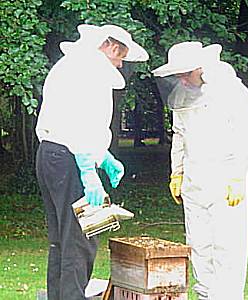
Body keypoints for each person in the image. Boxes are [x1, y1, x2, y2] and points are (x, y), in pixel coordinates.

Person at [35, 24, 148, 300]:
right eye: (120, 56)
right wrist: (89, 171)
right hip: (70, 159)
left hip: (51, 155)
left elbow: (67, 121)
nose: (121, 64)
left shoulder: (70, 65)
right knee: (79, 240)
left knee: (60, 240)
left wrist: (103, 157)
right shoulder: (90, 71)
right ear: (110, 46)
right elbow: (81, 124)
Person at [152, 42, 248, 300]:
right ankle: (205, 295)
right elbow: (179, 135)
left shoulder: (231, 91)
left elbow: (246, 136)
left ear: (201, 69)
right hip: (193, 179)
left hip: (225, 180)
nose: (181, 79)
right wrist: (176, 173)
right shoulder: (181, 95)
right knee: (198, 244)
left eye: (186, 73)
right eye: (177, 74)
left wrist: (238, 177)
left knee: (227, 245)